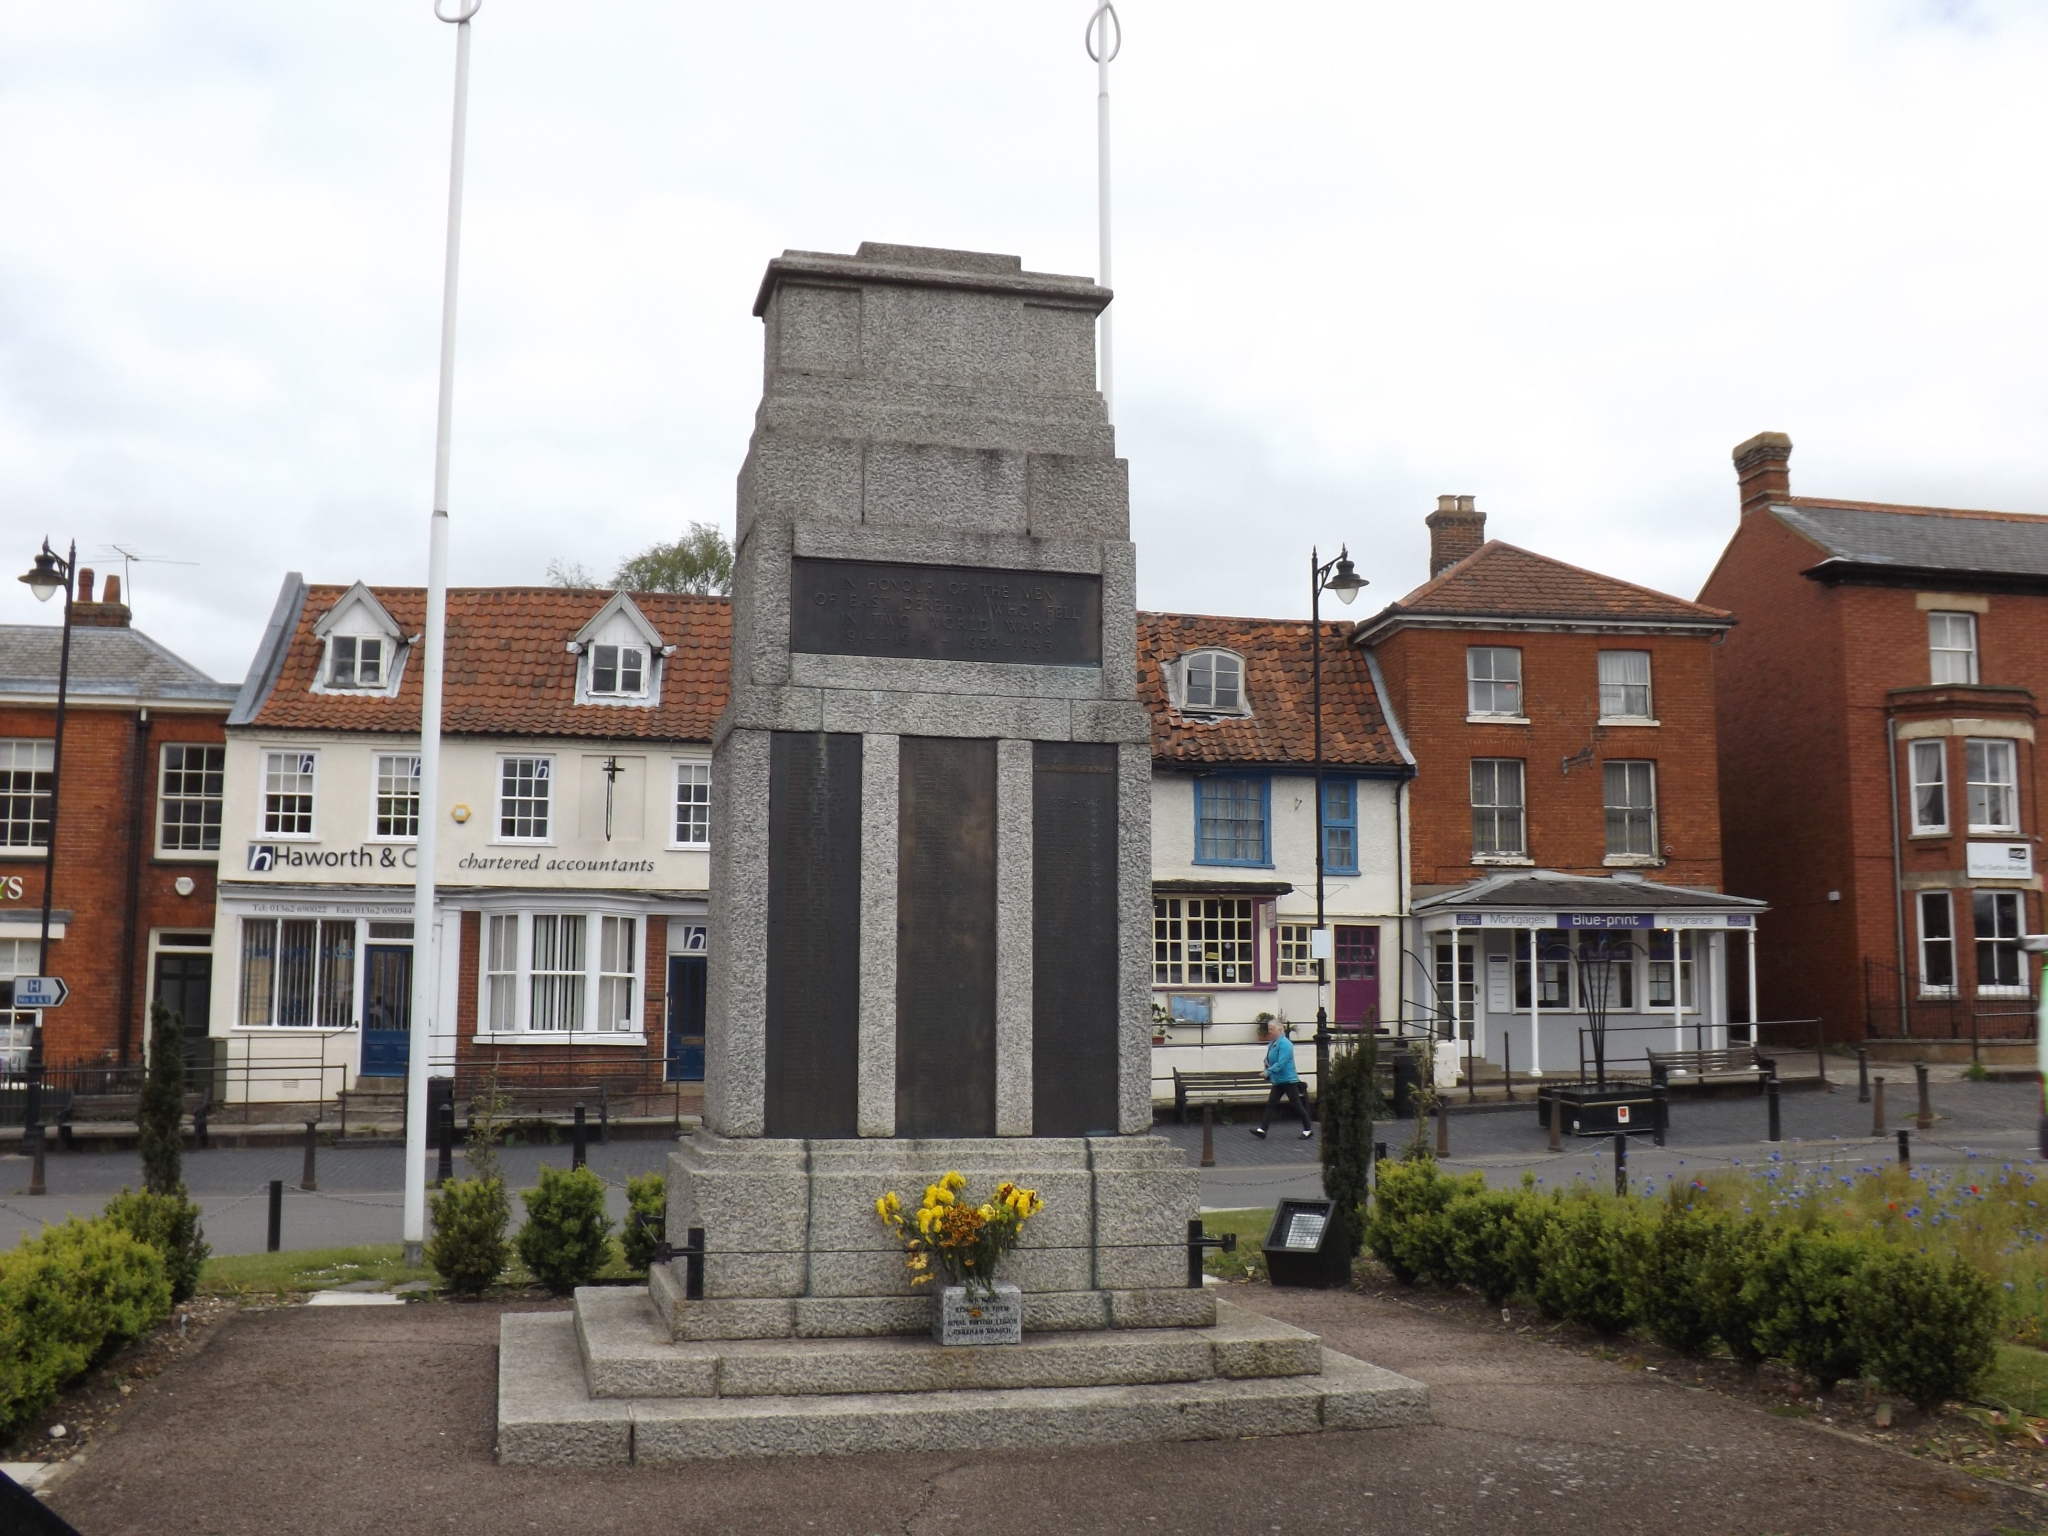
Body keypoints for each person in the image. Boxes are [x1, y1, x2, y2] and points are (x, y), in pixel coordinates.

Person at [1252, 1021, 1313, 1139]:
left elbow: (1281, 1063)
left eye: (1271, 1029)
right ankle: (1262, 1130)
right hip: (1278, 1080)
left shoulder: (1285, 1044)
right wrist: (1266, 1063)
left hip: (1288, 1080)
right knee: (1271, 1104)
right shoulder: (1272, 1044)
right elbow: (1269, 1058)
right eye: (1269, 1029)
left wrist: (1267, 1072)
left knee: (1296, 1105)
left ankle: (1308, 1129)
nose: (1269, 1031)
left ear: (1280, 1030)